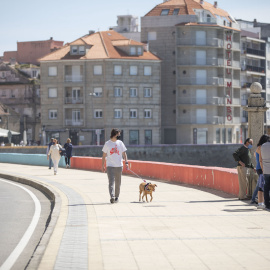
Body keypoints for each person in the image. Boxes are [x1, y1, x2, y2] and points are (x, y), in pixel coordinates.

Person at [102, 128, 129, 204]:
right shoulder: (107, 144)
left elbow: (124, 154)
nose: (119, 136)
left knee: (118, 182)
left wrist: (126, 162)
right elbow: (104, 155)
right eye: (118, 134)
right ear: (114, 134)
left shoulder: (120, 143)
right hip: (110, 166)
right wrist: (102, 165)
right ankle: (112, 197)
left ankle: (116, 197)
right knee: (111, 182)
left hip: (119, 166)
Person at [250, 135, 269, 208]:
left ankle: (256, 199)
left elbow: (255, 155)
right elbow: (261, 160)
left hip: (258, 168)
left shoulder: (258, 147)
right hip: (261, 168)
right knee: (261, 185)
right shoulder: (262, 148)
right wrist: (263, 169)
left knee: (260, 184)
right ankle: (259, 201)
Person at [260, 136, 270, 210]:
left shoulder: (263, 146)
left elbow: (261, 159)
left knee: (266, 187)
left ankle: (267, 204)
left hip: (266, 170)